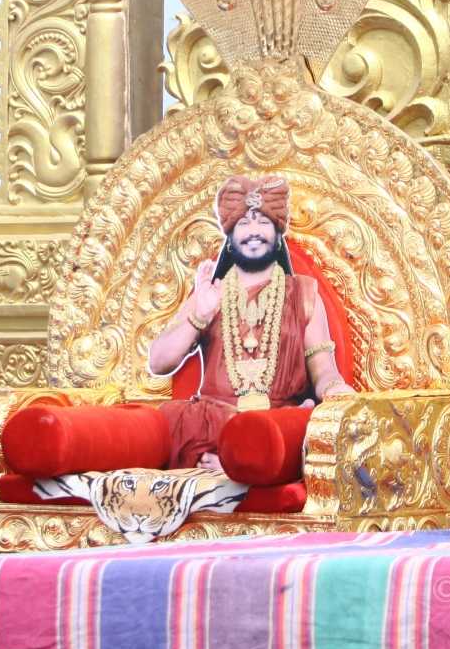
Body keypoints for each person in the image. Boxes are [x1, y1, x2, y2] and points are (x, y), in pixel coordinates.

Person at [145, 175, 355, 472]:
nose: (253, 232)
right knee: (161, 425)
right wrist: (199, 316)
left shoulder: (304, 295)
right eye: (243, 223)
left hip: (277, 427)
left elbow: (323, 370)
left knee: (296, 428)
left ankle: (241, 462)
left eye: (263, 222)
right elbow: (158, 362)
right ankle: (236, 460)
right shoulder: (210, 292)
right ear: (230, 235)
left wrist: (334, 388)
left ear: (277, 232)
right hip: (211, 429)